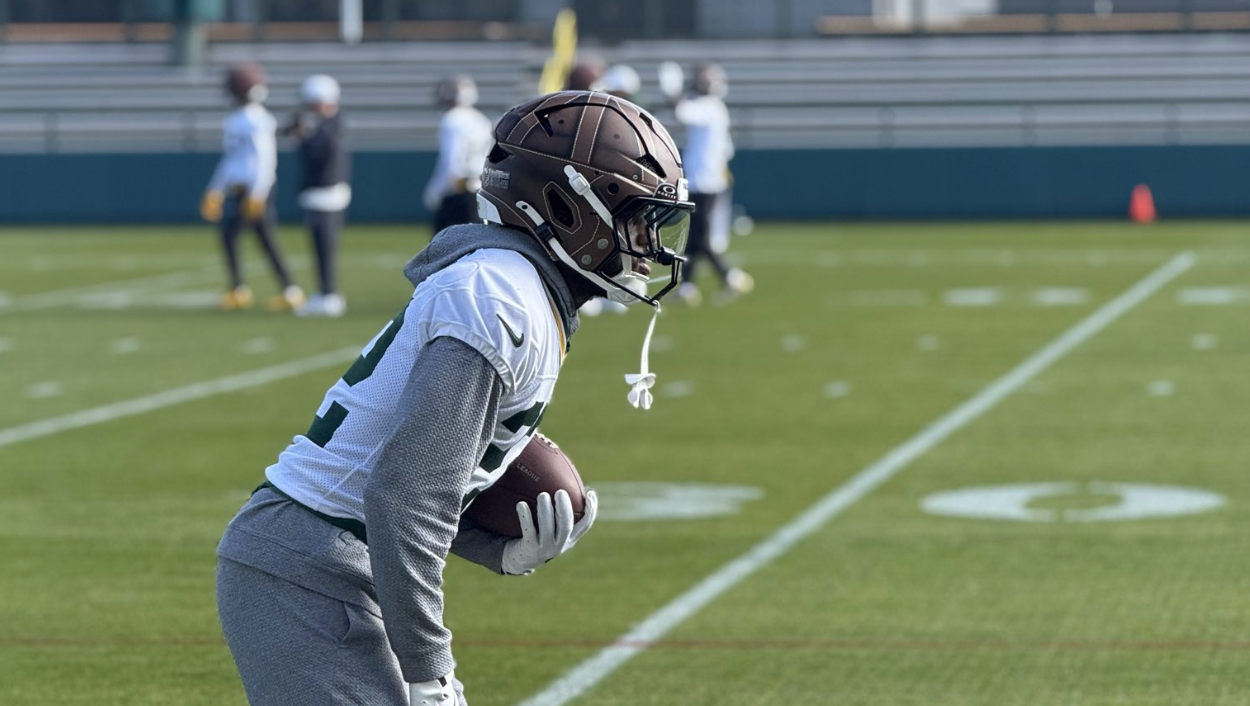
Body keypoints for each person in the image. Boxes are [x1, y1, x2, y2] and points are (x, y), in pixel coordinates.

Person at [215, 91, 695, 706]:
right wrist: (431, 673)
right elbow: (402, 496)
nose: (647, 242)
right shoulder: (501, 300)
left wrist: (497, 550)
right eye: (636, 217)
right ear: (567, 206)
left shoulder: (519, 291)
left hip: (330, 560)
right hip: (306, 567)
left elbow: (411, 484)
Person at [200, 62, 306, 312]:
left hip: (256, 190)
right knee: (260, 238)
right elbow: (232, 160)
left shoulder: (257, 121)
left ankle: (244, 289)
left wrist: (257, 193)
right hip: (243, 190)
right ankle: (285, 290)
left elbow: (264, 160)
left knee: (236, 235)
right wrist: (216, 190)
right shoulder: (238, 120)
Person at [660, 62, 753, 307]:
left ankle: (729, 276)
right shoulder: (716, 108)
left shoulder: (709, 108)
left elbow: (681, 112)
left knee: (699, 238)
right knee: (693, 236)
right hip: (708, 180)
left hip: (705, 181)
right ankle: (688, 287)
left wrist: (672, 91)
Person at [284, 74, 352, 318]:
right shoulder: (329, 124)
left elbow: (319, 154)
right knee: (322, 246)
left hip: (325, 191)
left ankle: (328, 294)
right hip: (326, 191)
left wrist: (303, 138)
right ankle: (325, 292)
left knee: (324, 246)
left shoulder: (327, 126)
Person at [423, 75, 493, 235]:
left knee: (442, 251)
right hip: (481, 190)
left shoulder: (453, 119)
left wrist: (435, 190)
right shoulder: (481, 119)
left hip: (459, 194)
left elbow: (453, 164)